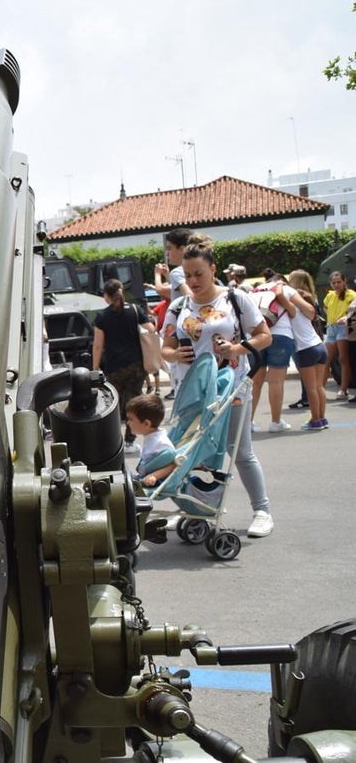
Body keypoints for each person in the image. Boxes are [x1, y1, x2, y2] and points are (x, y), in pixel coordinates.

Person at [160, 233, 275, 538]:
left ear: (213, 269)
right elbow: (166, 348)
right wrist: (175, 354)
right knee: (190, 451)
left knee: (240, 451)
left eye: (198, 274)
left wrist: (237, 349)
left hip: (231, 388)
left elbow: (264, 336)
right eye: (187, 275)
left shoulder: (235, 298)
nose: (193, 281)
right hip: (191, 391)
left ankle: (262, 511)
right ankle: (194, 509)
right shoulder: (178, 306)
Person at [92, 278, 153, 455]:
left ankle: (112, 443)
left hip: (114, 367)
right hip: (136, 365)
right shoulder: (135, 310)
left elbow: (98, 345)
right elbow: (151, 329)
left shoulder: (102, 317)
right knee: (133, 404)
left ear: (106, 296)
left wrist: (95, 367)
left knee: (113, 405)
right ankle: (129, 442)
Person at [247, 276, 303, 433]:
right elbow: (294, 312)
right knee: (276, 382)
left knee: (255, 383)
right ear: (281, 280)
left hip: (257, 337)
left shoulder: (253, 291)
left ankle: (248, 422)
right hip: (281, 336)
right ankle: (275, 422)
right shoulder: (285, 289)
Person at [152, 227, 194, 399]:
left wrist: (157, 275)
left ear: (182, 249)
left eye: (169, 248)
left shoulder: (178, 271)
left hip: (182, 331)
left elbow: (185, 295)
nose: (167, 253)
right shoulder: (183, 272)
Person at [285, 269, 328, 429]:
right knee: (319, 386)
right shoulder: (310, 300)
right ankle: (322, 418)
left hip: (304, 349)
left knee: (311, 389)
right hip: (319, 345)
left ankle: (315, 420)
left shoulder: (292, 304)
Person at [126, 393, 176, 488]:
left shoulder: (161, 444)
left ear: (146, 423)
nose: (128, 423)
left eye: (130, 419)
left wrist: (154, 476)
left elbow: (174, 464)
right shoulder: (152, 437)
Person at [322, 271, 356, 400]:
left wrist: (345, 316)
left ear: (344, 281)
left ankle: (343, 389)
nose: (336, 285)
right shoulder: (330, 295)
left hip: (344, 328)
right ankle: (320, 388)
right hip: (331, 327)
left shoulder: (351, 294)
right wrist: (331, 315)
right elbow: (325, 307)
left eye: (339, 282)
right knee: (326, 359)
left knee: (343, 358)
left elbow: (353, 310)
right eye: (333, 283)